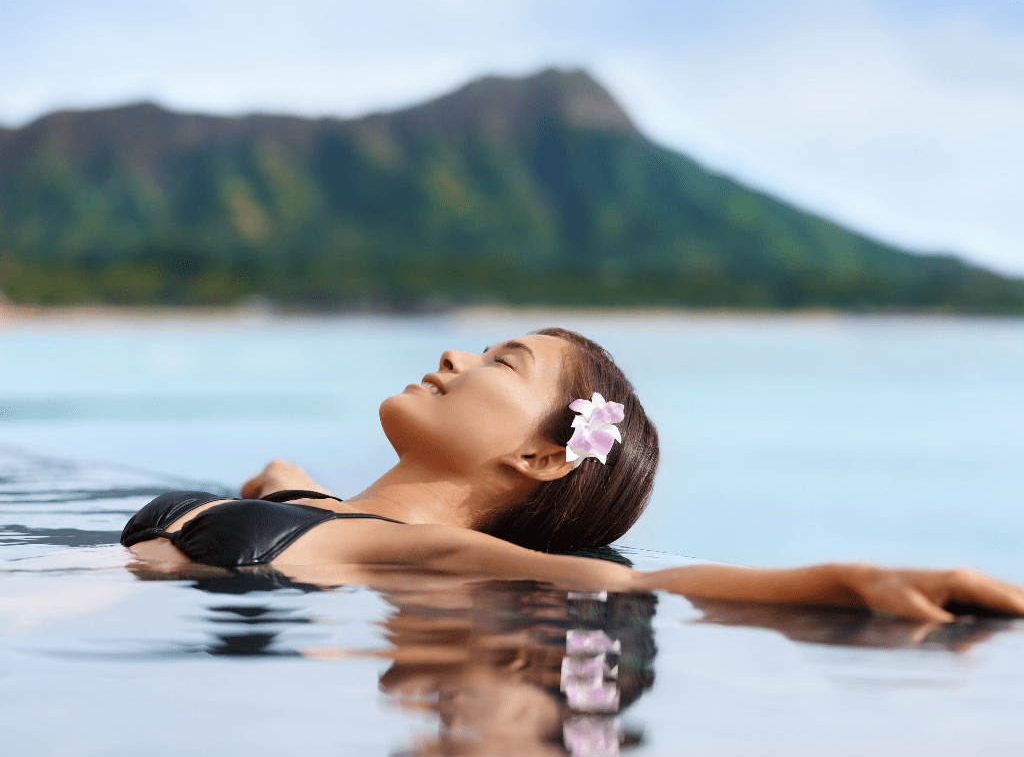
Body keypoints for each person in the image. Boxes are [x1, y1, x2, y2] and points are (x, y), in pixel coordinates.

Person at [123, 328, 1024, 623]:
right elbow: (284, 481)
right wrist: (280, 483)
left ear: (544, 456)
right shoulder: (303, 502)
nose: (452, 352)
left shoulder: (428, 552)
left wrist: (855, 579)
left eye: (500, 361)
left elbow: (653, 583)